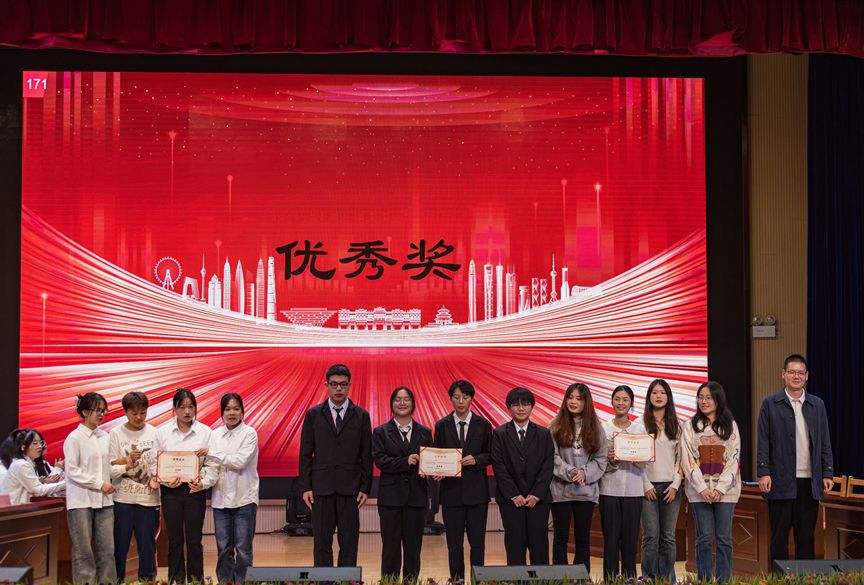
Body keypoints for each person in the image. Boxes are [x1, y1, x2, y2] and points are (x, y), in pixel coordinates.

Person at [757, 354, 834, 565]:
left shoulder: (817, 404)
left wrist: (827, 472)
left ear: (807, 376)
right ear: (783, 374)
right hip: (780, 480)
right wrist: (764, 472)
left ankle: (804, 578)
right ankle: (778, 579)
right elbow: (763, 440)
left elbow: (825, 440)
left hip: (810, 482)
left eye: (800, 373)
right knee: (779, 537)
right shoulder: (770, 403)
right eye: (791, 372)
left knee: (806, 538)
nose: (796, 376)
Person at [298, 364, 373, 567]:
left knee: (349, 542)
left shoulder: (361, 416)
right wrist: (305, 487)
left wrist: (365, 488)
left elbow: (366, 455)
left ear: (349, 385)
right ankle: (324, 581)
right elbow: (305, 454)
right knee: (321, 543)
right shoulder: (313, 414)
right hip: (321, 489)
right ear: (326, 385)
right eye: (334, 384)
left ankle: (347, 580)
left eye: (343, 384)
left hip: (351, 489)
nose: (338, 388)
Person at [681, 381, 741, 582]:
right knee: (704, 538)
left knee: (724, 538)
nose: (704, 401)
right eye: (701, 397)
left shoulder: (730, 425)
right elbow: (687, 459)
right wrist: (702, 488)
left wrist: (721, 488)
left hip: (726, 492)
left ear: (718, 400)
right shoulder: (690, 426)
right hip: (700, 493)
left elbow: (734, 459)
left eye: (708, 397)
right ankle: (704, 580)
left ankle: (724, 580)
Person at [433, 379, 492, 582]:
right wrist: (437, 469)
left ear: (471, 399)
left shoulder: (483, 425)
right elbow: (437, 455)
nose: (461, 402)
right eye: (456, 397)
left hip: (477, 494)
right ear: (450, 399)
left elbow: (491, 454)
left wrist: (477, 460)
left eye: (465, 397)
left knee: (477, 543)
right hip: (451, 494)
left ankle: (478, 580)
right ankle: (457, 580)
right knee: (454, 544)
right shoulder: (442, 425)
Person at [371, 386, 433, 581]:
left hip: (416, 497)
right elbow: (380, 461)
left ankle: (411, 582)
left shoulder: (425, 432)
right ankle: (389, 582)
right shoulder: (381, 432)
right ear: (391, 404)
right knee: (390, 547)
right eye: (398, 399)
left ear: (413, 404)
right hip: (390, 499)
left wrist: (436, 470)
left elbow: (431, 460)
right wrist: (405, 461)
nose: (402, 403)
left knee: (413, 548)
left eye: (406, 399)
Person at [153, 387, 213, 584]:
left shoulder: (205, 432)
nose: (187, 412)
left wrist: (202, 482)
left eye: (191, 407)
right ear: (174, 409)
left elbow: (212, 463)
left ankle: (196, 580)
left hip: (194, 491)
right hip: (170, 492)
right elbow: (154, 462)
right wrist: (165, 480)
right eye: (182, 407)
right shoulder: (162, 433)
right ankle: (176, 581)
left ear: (195, 408)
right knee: (175, 539)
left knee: (194, 540)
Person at [491, 387, 554, 566]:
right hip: (511, 501)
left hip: (538, 501)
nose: (520, 408)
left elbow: (548, 466)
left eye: (525, 404)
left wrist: (536, 494)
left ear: (532, 406)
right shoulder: (499, 433)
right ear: (508, 408)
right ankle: (516, 579)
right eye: (515, 404)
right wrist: (514, 494)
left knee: (539, 546)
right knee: (514, 546)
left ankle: (541, 579)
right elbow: (498, 466)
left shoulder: (543, 433)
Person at [549, 382, 607, 572]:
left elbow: (601, 459)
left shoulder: (597, 428)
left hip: (585, 492)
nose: (573, 402)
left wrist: (584, 473)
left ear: (586, 402)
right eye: (570, 397)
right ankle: (559, 579)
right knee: (560, 538)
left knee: (583, 539)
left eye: (579, 398)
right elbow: (551, 456)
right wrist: (570, 471)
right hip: (560, 492)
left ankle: (581, 578)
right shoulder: (554, 425)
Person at [64, 392, 119, 585]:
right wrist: (99, 484)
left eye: (104, 410)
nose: (102, 414)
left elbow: (109, 466)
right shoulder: (74, 438)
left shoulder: (105, 436)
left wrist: (126, 466)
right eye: (97, 410)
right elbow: (72, 471)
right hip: (81, 501)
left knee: (107, 550)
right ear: (85, 412)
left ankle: (107, 582)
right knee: (83, 551)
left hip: (104, 501)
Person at [203, 393, 260, 583]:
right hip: (220, 501)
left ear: (242, 412)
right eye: (227, 409)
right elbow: (212, 467)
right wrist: (202, 482)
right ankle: (225, 581)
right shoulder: (214, 435)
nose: (232, 413)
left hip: (245, 499)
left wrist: (212, 454)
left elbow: (239, 462)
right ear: (222, 413)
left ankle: (243, 581)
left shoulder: (249, 433)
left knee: (243, 549)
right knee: (223, 549)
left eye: (236, 409)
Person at [599, 385, 651, 580]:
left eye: (625, 399)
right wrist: (611, 459)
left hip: (633, 490)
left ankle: (630, 580)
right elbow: (598, 460)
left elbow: (646, 461)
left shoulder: (640, 429)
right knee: (611, 541)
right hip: (609, 490)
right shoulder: (603, 428)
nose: (621, 403)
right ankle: (610, 580)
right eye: (617, 399)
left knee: (630, 542)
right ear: (612, 401)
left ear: (631, 403)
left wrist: (637, 458)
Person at [109, 391, 160, 582]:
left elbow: (159, 463)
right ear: (125, 411)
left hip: (148, 500)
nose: (139, 417)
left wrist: (158, 477)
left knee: (147, 547)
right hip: (122, 500)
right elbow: (109, 467)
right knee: (119, 546)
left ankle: (147, 580)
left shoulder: (155, 433)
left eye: (143, 413)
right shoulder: (115, 434)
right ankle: (118, 580)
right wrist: (126, 465)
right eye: (134, 413)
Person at [641, 379, 683, 581]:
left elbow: (681, 459)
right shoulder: (639, 424)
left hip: (671, 488)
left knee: (668, 537)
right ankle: (649, 579)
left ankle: (667, 579)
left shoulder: (678, 425)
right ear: (649, 396)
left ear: (668, 397)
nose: (658, 396)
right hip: (646, 487)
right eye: (654, 392)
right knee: (651, 537)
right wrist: (645, 484)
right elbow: (635, 459)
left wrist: (675, 485)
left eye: (662, 392)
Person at [5, 428, 66, 504]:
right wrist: (66, 483)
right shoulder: (22, 464)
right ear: (23, 446)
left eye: (41, 442)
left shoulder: (28, 463)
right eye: (35, 443)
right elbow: (38, 491)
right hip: (17, 509)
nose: (40, 446)